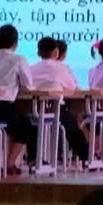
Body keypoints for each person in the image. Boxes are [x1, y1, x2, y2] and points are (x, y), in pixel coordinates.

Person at [0, 23, 36, 174]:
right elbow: (28, 85)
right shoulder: (18, 59)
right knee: (26, 126)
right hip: (4, 105)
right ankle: (10, 163)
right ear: (15, 43)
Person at [31, 35, 91, 165]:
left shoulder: (31, 69)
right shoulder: (61, 68)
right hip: (55, 109)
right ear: (56, 52)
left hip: (33, 110)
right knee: (71, 125)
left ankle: (33, 159)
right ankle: (86, 157)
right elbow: (73, 87)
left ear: (38, 52)